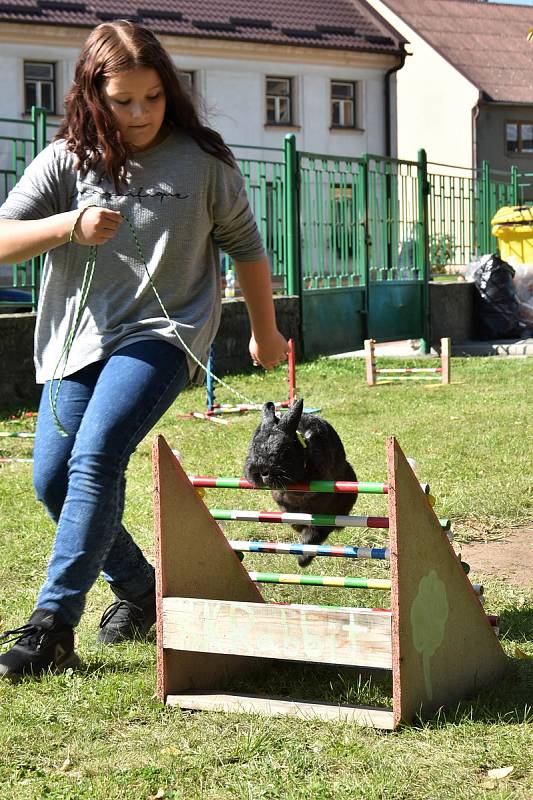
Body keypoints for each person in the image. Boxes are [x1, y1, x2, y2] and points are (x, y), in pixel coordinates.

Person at [0, 20, 288, 681]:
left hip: (164, 336)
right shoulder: (66, 161)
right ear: (91, 94)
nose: (139, 114)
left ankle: (51, 625)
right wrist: (67, 224)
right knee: (51, 479)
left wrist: (264, 330)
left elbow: (246, 247)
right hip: (75, 344)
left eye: (153, 98)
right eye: (123, 100)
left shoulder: (204, 162)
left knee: (98, 455)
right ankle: (140, 591)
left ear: (170, 92)